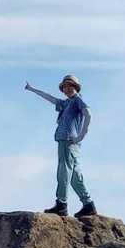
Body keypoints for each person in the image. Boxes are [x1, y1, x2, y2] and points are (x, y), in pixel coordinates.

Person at [25, 74, 96, 218]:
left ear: (75, 87)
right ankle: (88, 205)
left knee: (63, 172)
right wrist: (32, 89)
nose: (67, 88)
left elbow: (88, 113)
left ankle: (61, 204)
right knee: (75, 176)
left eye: (70, 86)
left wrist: (80, 136)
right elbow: (49, 98)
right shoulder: (66, 103)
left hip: (67, 141)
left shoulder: (77, 101)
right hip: (69, 142)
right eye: (65, 86)